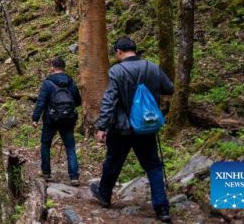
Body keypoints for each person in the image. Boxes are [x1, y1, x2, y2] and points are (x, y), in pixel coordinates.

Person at [90, 37, 174, 223]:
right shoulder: (152, 67)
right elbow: (169, 88)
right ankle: (162, 208)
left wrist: (102, 127)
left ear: (119, 52)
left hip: (121, 129)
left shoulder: (117, 71)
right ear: (134, 50)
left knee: (113, 162)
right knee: (153, 165)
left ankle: (104, 195)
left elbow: (109, 100)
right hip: (146, 126)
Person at [31, 57, 81, 185]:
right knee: (70, 147)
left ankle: (46, 172)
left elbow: (41, 102)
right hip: (68, 119)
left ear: (52, 68)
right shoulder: (71, 82)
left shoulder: (48, 83)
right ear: (64, 68)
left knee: (45, 144)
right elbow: (78, 101)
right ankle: (74, 177)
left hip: (51, 119)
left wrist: (35, 118)